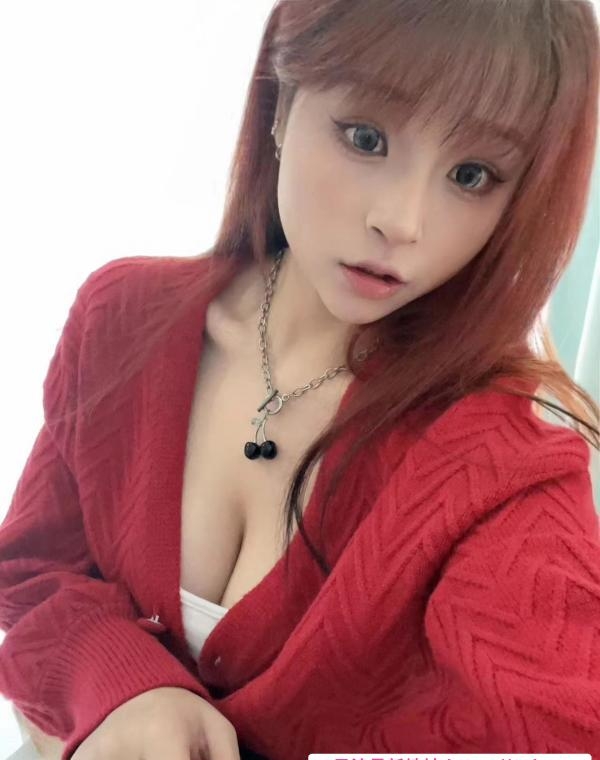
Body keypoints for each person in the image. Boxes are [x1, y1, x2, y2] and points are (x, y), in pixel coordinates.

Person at [1, 0, 599, 758]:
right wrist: (122, 684)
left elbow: (564, 726)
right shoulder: (122, 318)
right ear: (280, 104)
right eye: (366, 137)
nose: (403, 221)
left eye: (471, 175)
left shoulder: (501, 466)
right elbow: (34, 572)